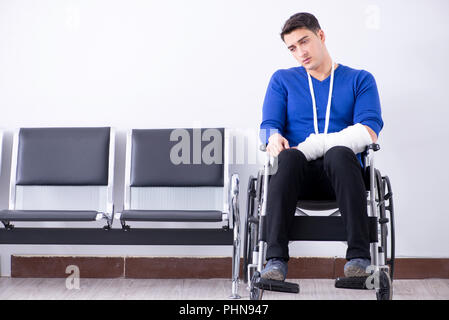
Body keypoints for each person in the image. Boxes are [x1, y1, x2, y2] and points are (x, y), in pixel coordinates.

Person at [259, 12, 383, 281]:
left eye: (305, 42)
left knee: (339, 152)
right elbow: (268, 124)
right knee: (290, 158)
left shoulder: (360, 79)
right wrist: (271, 137)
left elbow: (369, 130)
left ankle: (359, 257)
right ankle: (275, 260)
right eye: (292, 48)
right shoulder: (282, 80)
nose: (300, 52)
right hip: (297, 176)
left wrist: (315, 145)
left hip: (342, 177)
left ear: (321, 36)